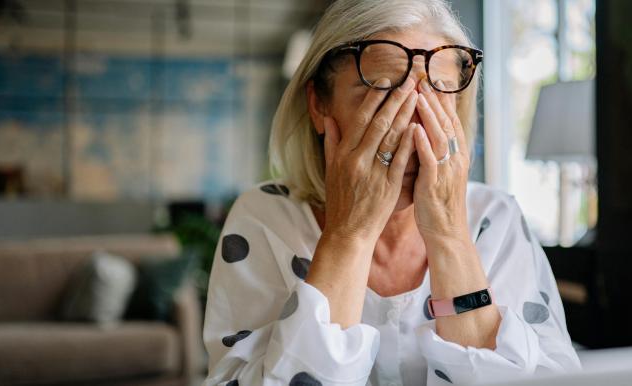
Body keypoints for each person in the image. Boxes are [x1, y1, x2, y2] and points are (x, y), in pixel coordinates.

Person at [202, 0, 581, 384]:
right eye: (384, 92)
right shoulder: (267, 218)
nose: (412, 128)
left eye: (440, 92)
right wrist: (350, 233)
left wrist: (450, 236)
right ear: (319, 105)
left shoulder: (496, 219)